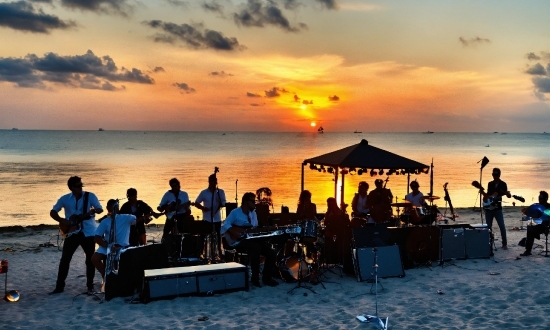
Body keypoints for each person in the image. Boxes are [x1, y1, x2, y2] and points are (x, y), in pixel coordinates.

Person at [49, 176, 103, 294]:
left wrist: (95, 211)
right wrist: (62, 221)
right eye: (78, 186)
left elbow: (100, 209)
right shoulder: (64, 199)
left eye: (81, 185)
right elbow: (53, 212)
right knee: (65, 260)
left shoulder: (90, 196)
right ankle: (59, 287)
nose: (80, 188)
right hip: (72, 232)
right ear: (71, 188)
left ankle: (90, 285)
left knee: (90, 260)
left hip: (88, 232)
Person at [221, 192, 278, 287]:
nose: (254, 203)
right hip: (238, 241)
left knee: (271, 252)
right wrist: (234, 232)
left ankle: (267, 278)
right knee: (256, 248)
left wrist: (268, 228)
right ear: (245, 202)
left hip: (251, 239)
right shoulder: (235, 212)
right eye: (252, 201)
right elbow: (225, 224)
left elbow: (253, 229)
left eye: (254, 201)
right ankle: (255, 278)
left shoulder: (253, 214)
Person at [91, 199, 137, 281]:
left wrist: (145, 218)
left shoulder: (126, 217)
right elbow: (97, 237)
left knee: (123, 261)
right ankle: (105, 276)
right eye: (112, 207)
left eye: (116, 207)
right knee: (95, 258)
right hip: (108, 245)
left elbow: (136, 220)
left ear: (118, 208)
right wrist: (108, 246)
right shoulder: (105, 221)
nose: (114, 209)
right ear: (107, 208)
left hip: (122, 246)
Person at [194, 174, 226, 254]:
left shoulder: (220, 192)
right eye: (212, 181)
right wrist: (203, 208)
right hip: (207, 218)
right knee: (203, 236)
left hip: (217, 218)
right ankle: (201, 252)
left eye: (215, 182)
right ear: (209, 182)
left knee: (219, 237)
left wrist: (220, 201)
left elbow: (224, 203)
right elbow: (196, 203)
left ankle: (219, 252)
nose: (214, 183)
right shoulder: (204, 192)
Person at [484, 168, 511, 250]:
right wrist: (485, 198)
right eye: (493, 174)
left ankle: (504, 243)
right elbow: (489, 195)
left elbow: (508, 196)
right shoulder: (490, 184)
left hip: (498, 208)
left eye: (496, 175)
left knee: (502, 226)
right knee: (488, 226)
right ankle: (489, 243)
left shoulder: (503, 184)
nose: (494, 176)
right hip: (489, 208)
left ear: (499, 175)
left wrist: (507, 194)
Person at [520, 191, 550, 256]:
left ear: (546, 199)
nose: (539, 200)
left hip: (546, 225)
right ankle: (528, 250)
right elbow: (530, 214)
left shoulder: (548, 207)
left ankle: (528, 249)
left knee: (531, 230)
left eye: (541, 198)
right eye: (539, 198)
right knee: (530, 228)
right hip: (537, 224)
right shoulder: (536, 206)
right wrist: (526, 211)